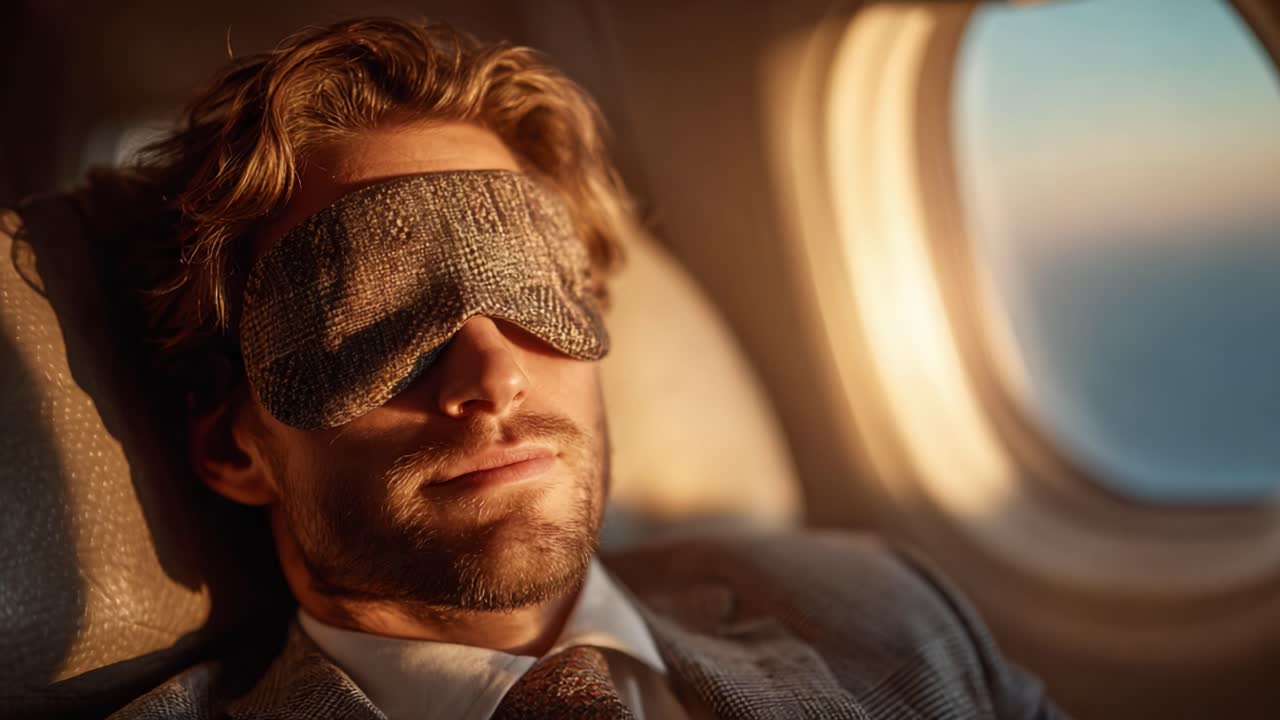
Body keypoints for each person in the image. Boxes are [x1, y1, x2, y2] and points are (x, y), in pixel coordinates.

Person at [100, 16, 1065, 720]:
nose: (493, 375)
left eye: (531, 292)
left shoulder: (887, 616)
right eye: (378, 315)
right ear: (237, 448)